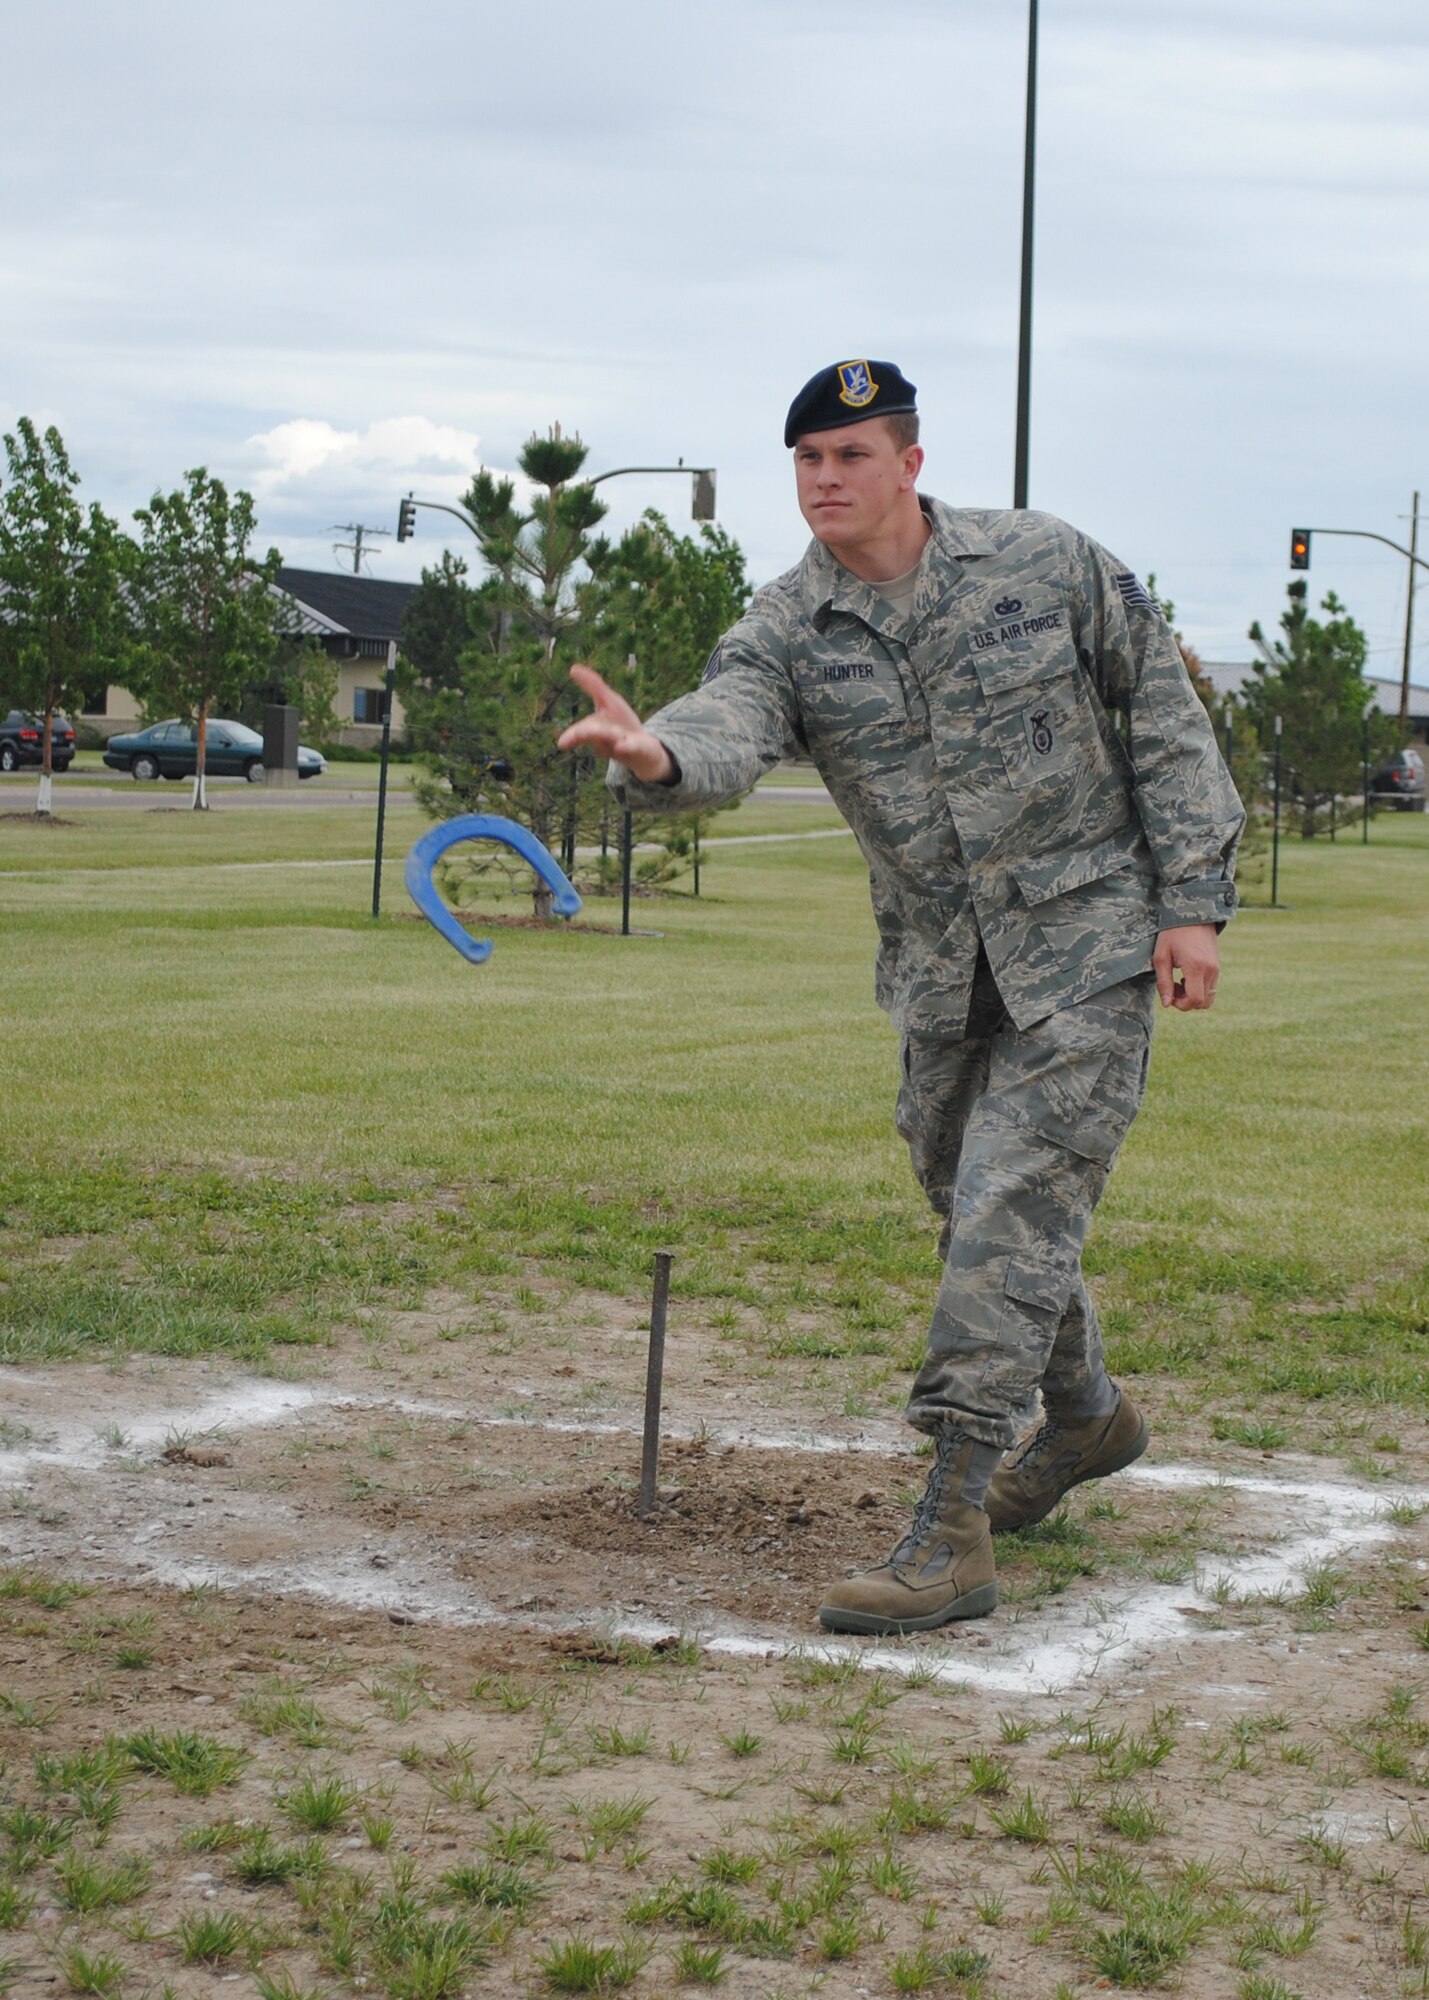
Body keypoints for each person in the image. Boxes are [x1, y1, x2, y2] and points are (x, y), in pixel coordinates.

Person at [558, 358, 1244, 1637]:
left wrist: (1190, 899)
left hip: (1085, 947)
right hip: (940, 974)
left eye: (850, 455)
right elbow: (729, 719)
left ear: (909, 464)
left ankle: (952, 1525)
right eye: (808, 461)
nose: (825, 480)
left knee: (1004, 1207)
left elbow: (1160, 708)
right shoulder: (788, 624)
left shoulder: (1042, 562)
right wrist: (657, 755)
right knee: (967, 1197)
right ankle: (1087, 1414)